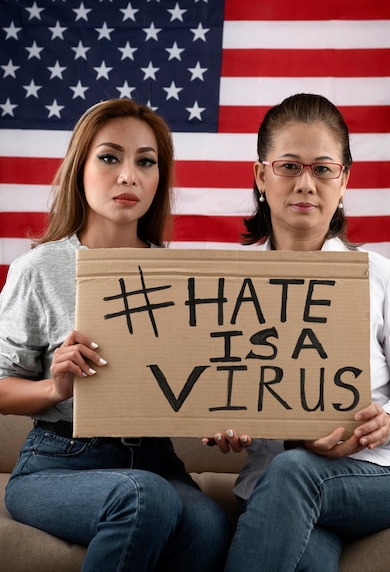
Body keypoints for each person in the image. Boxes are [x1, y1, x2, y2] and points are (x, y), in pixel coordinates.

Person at [0, 98, 231, 572]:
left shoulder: (182, 275)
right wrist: (54, 386)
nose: (128, 175)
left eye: (145, 162)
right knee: (143, 497)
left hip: (156, 458)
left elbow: (193, 381)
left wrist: (220, 412)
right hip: (59, 461)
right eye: (109, 157)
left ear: (158, 180)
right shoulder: (38, 269)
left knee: (209, 524)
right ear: (78, 168)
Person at [202, 93, 390, 572]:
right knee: (304, 550)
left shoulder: (382, 277)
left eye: (323, 168)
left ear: (344, 180)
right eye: (289, 166)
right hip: (271, 485)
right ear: (261, 176)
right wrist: (222, 422)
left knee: (294, 474)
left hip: (382, 474)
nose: (306, 183)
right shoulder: (225, 285)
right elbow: (213, 387)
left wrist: (387, 421)